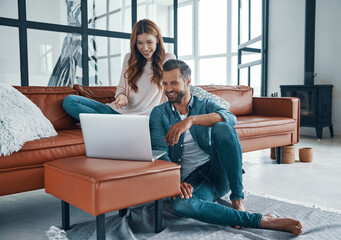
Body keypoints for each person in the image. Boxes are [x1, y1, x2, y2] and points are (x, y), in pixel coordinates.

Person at [149, 59, 303, 236]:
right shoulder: (159, 114)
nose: (168, 89)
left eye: (174, 83)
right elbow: (160, 152)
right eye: (165, 83)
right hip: (192, 183)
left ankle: (237, 199)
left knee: (223, 127)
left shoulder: (204, 104)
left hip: (219, 172)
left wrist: (190, 120)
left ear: (188, 81)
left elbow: (230, 118)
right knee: (181, 205)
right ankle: (261, 220)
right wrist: (174, 181)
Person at [63, 19, 176, 120]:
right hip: (117, 112)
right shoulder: (129, 58)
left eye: (149, 42)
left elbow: (173, 91)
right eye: (140, 43)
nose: (145, 48)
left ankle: (98, 123)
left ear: (157, 40)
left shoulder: (168, 59)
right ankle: (108, 124)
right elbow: (122, 87)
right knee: (70, 101)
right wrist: (121, 96)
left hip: (143, 119)